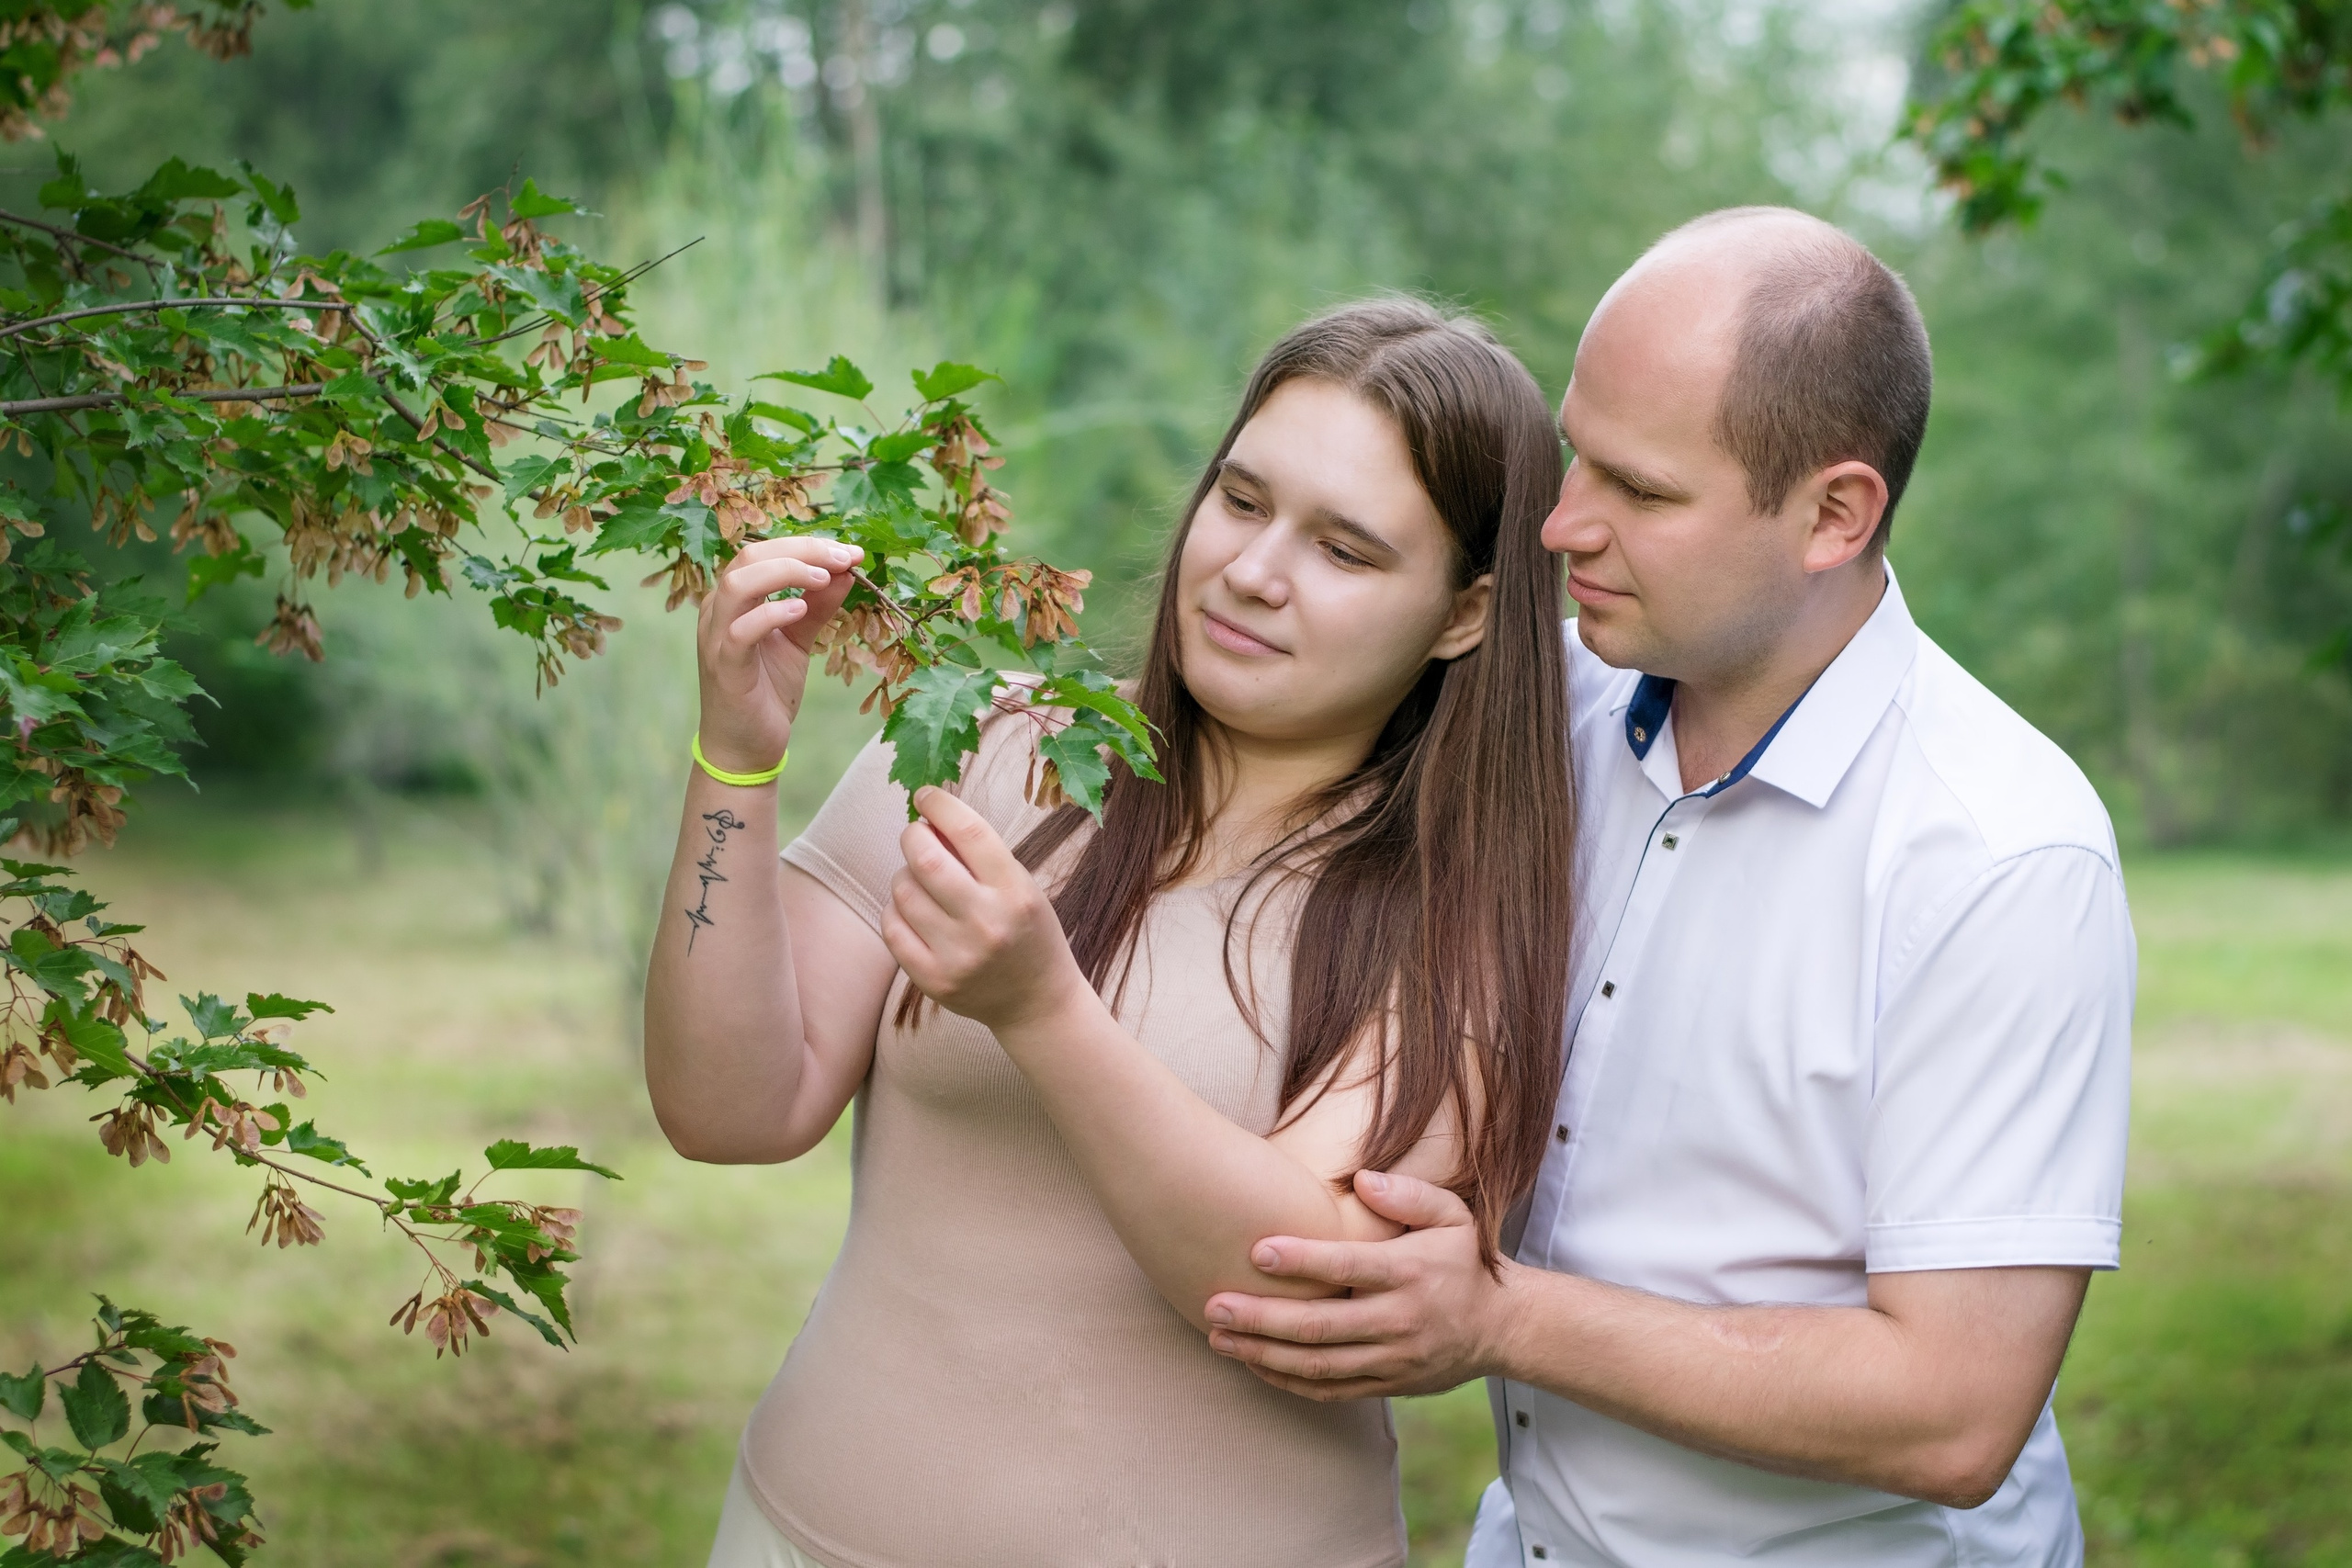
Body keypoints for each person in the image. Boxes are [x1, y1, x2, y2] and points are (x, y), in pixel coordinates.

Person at [1201, 208, 2136, 1567]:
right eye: (1575, 452)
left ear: (1833, 515)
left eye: (1639, 492)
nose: (1560, 525)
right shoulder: (1545, 712)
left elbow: (1953, 1410)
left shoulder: (1999, 855)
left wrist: (1503, 1318)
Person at [641, 298, 1577, 1568]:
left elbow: (1298, 1286)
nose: (1253, 570)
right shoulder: (989, 740)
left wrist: (1044, 1011)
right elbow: (728, 1111)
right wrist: (737, 760)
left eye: (1345, 550)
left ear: (1465, 613)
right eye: (1241, 501)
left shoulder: (1458, 906)